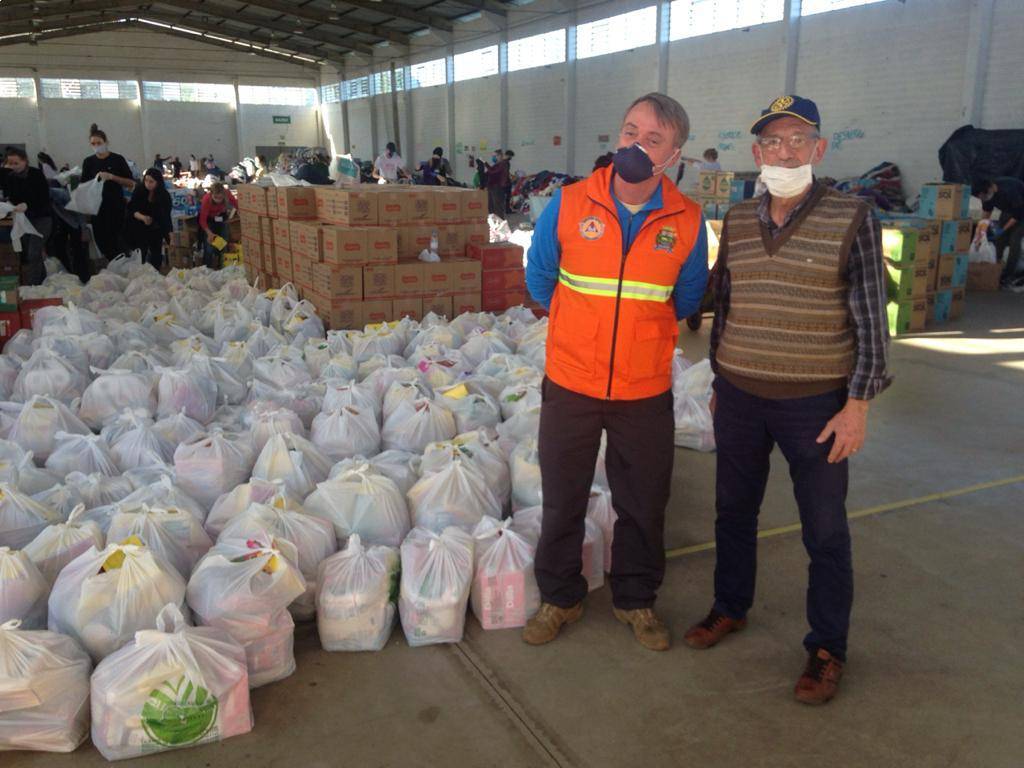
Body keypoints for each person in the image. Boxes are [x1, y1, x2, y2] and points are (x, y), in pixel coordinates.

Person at [683, 95, 891, 706]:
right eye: (773, 142)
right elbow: (727, 304)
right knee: (732, 512)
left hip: (816, 405)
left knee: (824, 530)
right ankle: (730, 606)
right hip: (742, 397)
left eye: (798, 140)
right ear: (757, 153)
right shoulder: (740, 218)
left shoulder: (853, 216)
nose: (785, 151)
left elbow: (872, 323)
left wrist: (857, 405)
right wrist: (720, 378)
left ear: (819, 149)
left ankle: (827, 647)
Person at [523, 92, 708, 651]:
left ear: (672, 156)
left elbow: (688, 296)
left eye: (652, 139)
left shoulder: (689, 220)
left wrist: (635, 337)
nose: (635, 145)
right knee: (563, 499)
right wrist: (586, 329)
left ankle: (636, 600)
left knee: (644, 503)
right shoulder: (571, 202)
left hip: (643, 388)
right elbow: (539, 279)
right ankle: (560, 597)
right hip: (571, 382)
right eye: (630, 131)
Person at [81, 123, 134, 259]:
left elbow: (130, 183)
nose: (97, 146)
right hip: (98, 208)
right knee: (102, 241)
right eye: (93, 143)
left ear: (106, 142)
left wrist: (112, 177)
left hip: (116, 206)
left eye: (99, 142)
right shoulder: (88, 162)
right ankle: (113, 265)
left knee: (117, 239)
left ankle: (124, 263)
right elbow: (84, 186)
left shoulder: (117, 159)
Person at [0, 146, 52, 285]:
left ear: (25, 161)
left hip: (42, 218)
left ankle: (32, 286)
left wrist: (27, 205)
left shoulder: (36, 174)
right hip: (24, 219)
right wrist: (10, 205)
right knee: (32, 254)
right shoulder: (10, 177)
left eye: (16, 163)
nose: (13, 166)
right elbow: (11, 196)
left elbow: (44, 198)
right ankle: (42, 284)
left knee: (33, 253)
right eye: (10, 163)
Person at [972, 177, 1024, 287]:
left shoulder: (1010, 190)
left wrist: (1002, 229)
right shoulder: (986, 195)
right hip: (1008, 210)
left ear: (990, 188)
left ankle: (1008, 275)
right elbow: (986, 213)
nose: (983, 198)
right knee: (999, 240)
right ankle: (994, 268)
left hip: (1021, 211)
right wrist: (979, 233)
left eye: (983, 196)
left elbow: (1018, 214)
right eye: (981, 197)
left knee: (1014, 240)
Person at [126, 167, 172, 270]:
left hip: (156, 228)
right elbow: (132, 209)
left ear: (158, 182)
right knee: (141, 253)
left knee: (156, 254)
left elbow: (165, 217)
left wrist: (169, 235)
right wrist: (143, 218)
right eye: (146, 180)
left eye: (151, 181)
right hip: (139, 226)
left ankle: (155, 275)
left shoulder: (164, 196)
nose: (148, 184)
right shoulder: (139, 190)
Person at [199, 181, 237, 269]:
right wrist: (209, 233)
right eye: (215, 197)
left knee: (223, 242)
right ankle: (207, 268)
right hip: (209, 220)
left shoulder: (227, 194)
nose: (218, 200)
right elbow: (202, 220)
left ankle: (222, 266)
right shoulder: (206, 199)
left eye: (220, 198)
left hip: (221, 217)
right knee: (209, 246)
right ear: (211, 194)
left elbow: (236, 204)